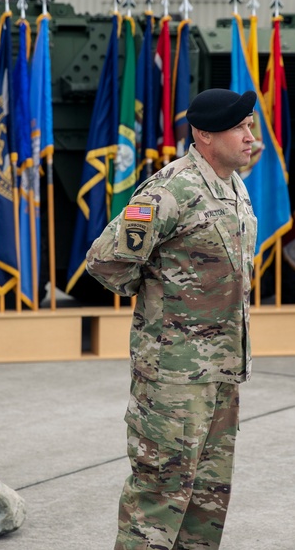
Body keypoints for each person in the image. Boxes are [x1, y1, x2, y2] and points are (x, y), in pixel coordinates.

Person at [86, 88, 259, 550]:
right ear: (204, 135)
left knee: (207, 502)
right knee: (159, 501)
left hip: (221, 374)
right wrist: (157, 298)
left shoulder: (234, 185)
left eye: (249, 126)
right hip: (172, 381)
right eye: (239, 127)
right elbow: (105, 261)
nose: (250, 136)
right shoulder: (170, 191)